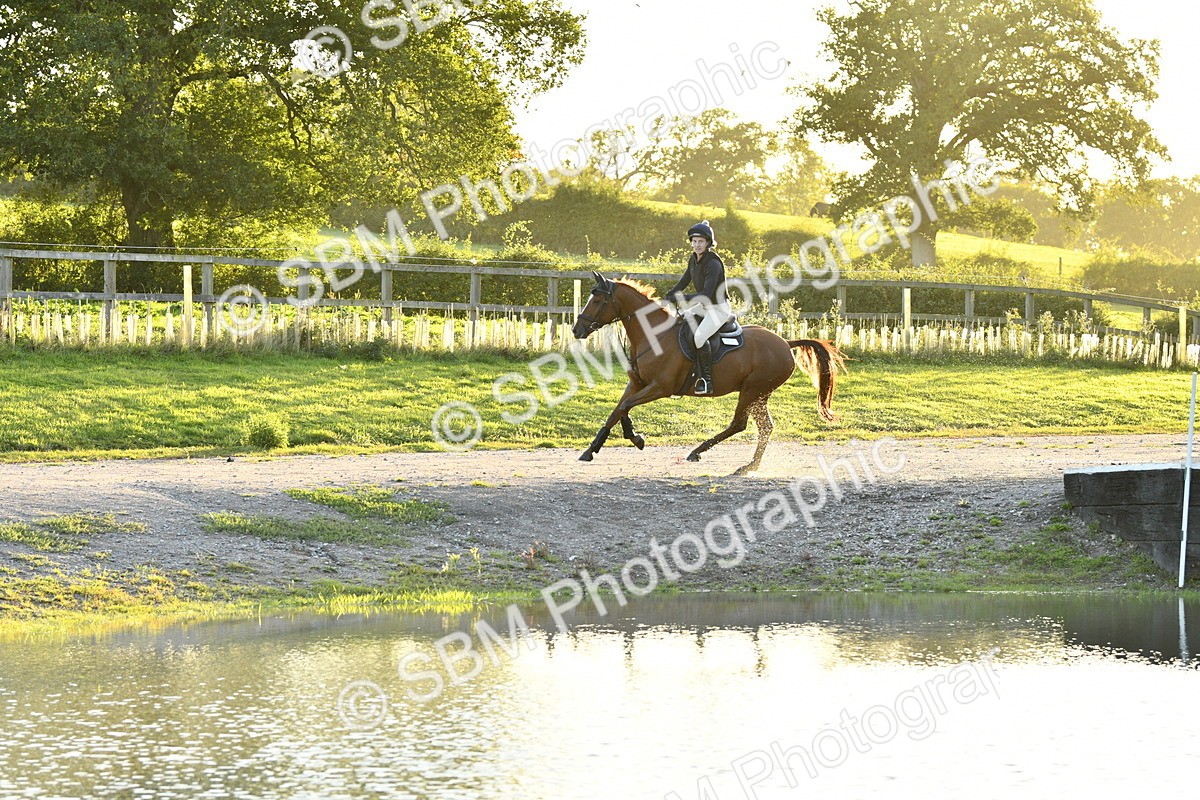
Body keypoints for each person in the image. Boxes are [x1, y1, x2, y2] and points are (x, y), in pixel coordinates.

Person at [668, 220, 733, 395]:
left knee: (699, 338)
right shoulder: (694, 259)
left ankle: (706, 381)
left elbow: (705, 294)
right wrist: (669, 294)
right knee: (680, 319)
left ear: (708, 243)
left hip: (718, 309)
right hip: (704, 307)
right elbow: (684, 281)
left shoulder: (713, 264)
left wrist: (680, 298)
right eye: (694, 241)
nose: (697, 245)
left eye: (701, 242)